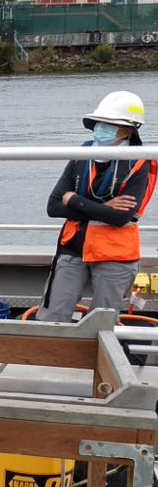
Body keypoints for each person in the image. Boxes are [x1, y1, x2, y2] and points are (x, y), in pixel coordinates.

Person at [36, 91, 153, 323]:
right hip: (73, 248)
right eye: (99, 124)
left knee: (103, 323)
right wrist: (104, 207)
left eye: (108, 125)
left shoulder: (141, 161)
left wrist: (75, 200)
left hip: (115, 254)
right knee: (52, 316)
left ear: (128, 130)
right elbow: (53, 206)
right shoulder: (83, 154)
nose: (100, 129)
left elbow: (121, 217)